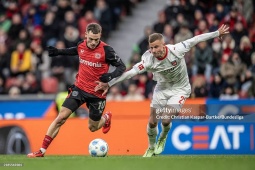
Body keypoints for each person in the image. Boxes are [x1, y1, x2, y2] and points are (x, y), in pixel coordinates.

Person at [95, 24, 229, 157]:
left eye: (156, 47)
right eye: (151, 47)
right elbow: (130, 73)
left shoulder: (177, 50)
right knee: (152, 121)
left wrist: (216, 33)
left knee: (165, 119)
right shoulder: (148, 60)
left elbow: (196, 39)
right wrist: (110, 84)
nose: (153, 50)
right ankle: (151, 148)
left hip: (180, 89)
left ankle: (163, 137)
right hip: (162, 88)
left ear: (163, 45)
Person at [27, 23, 126, 157]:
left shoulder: (107, 50)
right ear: (86, 35)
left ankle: (106, 118)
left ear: (100, 37)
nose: (93, 42)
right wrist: (58, 51)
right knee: (61, 117)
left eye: (96, 39)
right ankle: (41, 151)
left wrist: (109, 76)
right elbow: (75, 50)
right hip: (79, 89)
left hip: (97, 94)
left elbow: (122, 67)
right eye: (91, 39)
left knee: (92, 128)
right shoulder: (81, 44)